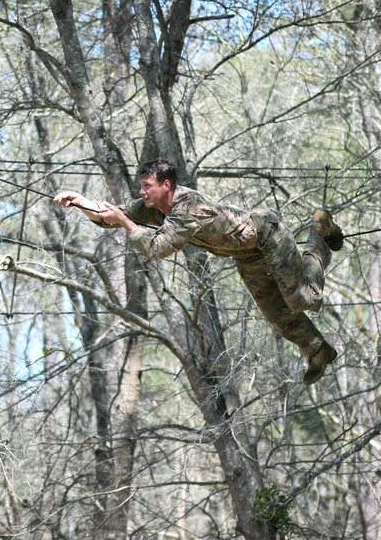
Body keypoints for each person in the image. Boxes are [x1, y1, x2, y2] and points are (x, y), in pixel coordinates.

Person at [54, 159, 344, 384]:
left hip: (267, 234)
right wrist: (80, 202)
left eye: (147, 186)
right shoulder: (153, 206)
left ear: (166, 185)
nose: (142, 192)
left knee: (302, 299)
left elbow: (157, 248)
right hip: (246, 253)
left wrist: (125, 222)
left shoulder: (188, 206)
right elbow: (112, 214)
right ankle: (319, 351)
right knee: (276, 312)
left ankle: (321, 232)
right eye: (141, 186)